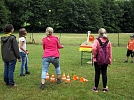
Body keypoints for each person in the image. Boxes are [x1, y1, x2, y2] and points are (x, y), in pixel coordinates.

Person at [92, 28, 112, 92]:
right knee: (104, 73)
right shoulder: (108, 41)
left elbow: (94, 49)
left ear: (98, 33)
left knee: (97, 73)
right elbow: (110, 52)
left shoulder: (96, 40)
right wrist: (110, 60)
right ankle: (104, 88)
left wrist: (94, 56)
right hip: (105, 60)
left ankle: (96, 88)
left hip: (97, 60)